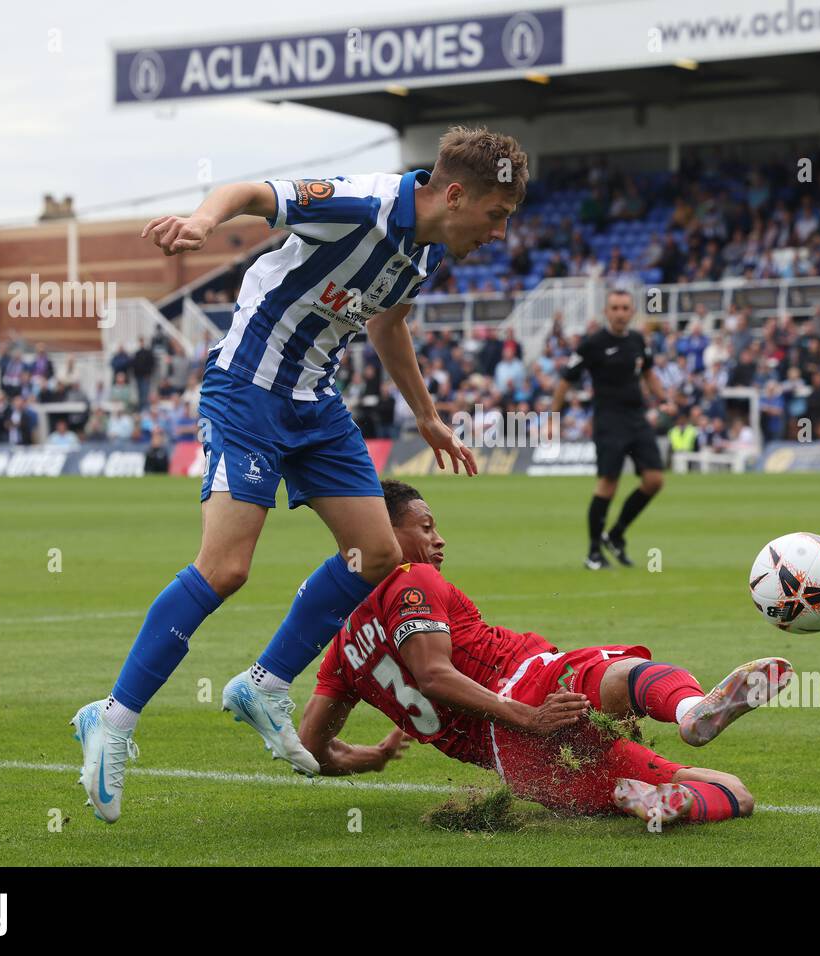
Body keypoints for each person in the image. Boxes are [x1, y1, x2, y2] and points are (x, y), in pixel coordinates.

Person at [71, 126, 528, 824]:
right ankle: (113, 718)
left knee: (379, 553)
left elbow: (388, 325)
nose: (498, 233)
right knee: (225, 568)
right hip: (248, 388)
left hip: (315, 401)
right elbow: (252, 192)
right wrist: (200, 221)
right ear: (456, 194)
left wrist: (428, 416)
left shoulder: (427, 250)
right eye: (496, 214)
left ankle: (263, 684)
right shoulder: (362, 203)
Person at [297, 480, 790, 825]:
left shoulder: (341, 652)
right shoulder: (411, 579)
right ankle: (688, 710)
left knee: (735, 794)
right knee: (617, 671)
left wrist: (374, 758)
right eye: (425, 528)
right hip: (525, 691)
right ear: (384, 536)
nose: (438, 538)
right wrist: (527, 716)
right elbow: (433, 675)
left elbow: (312, 749)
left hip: (520, 766)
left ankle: (651, 798)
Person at [550, 288, 668, 570]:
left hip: (637, 418)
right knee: (608, 484)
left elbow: (648, 372)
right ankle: (593, 551)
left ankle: (614, 535)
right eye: (614, 308)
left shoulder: (639, 340)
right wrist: (553, 417)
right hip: (608, 420)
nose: (620, 313)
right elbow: (566, 380)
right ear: (606, 312)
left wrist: (664, 400)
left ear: (631, 312)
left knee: (654, 480)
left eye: (625, 308)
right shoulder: (592, 344)